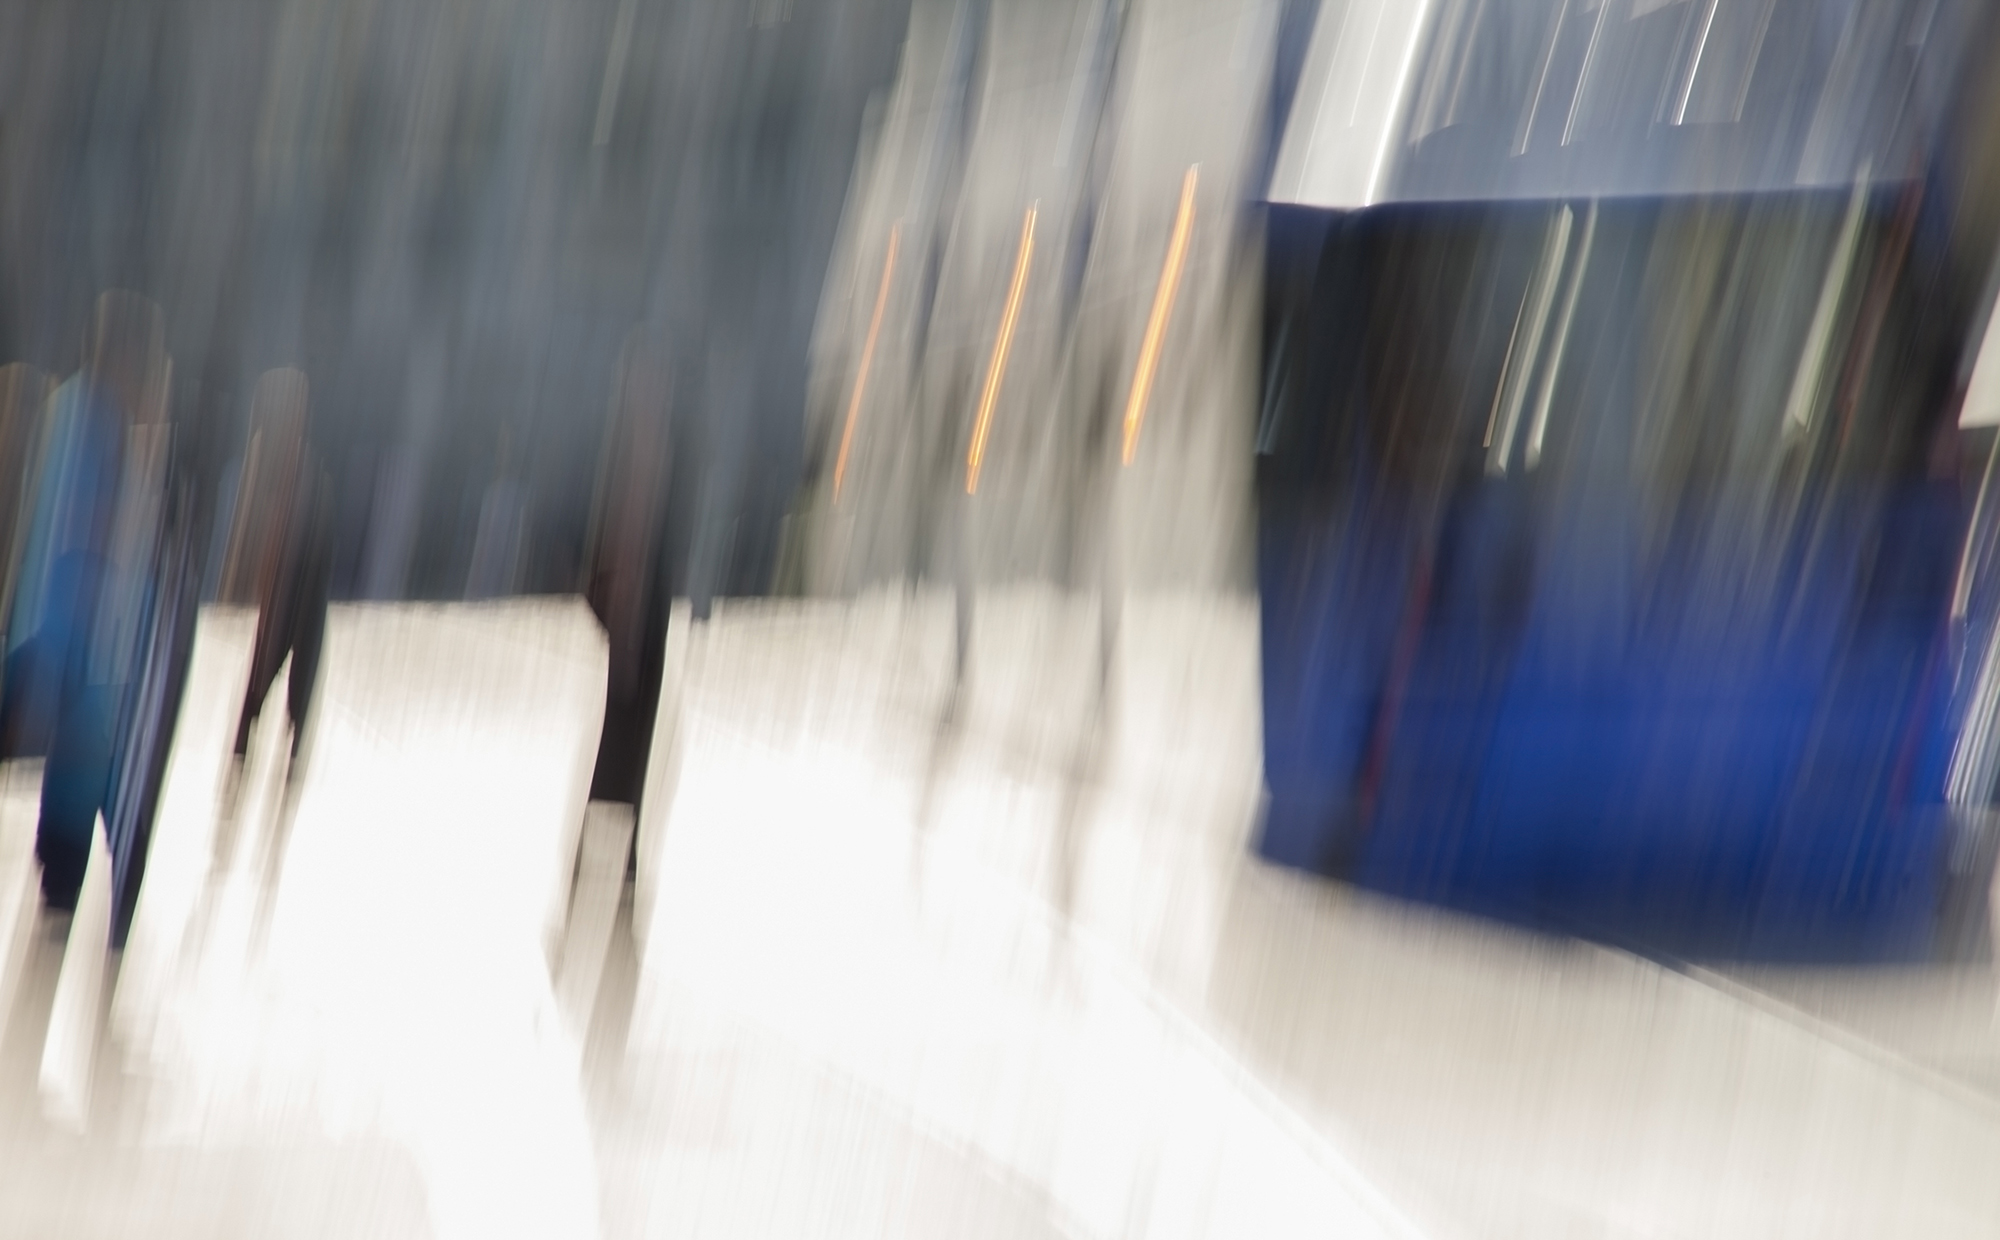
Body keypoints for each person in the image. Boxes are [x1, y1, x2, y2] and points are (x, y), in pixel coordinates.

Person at [5, 291, 168, 911]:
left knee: (86, 819)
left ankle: (68, 891)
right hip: (71, 654)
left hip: (59, 648)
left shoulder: (71, 408)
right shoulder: (102, 424)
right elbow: (92, 533)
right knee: (90, 822)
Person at [582, 331, 673, 863]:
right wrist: (628, 600)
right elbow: (631, 521)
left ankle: (614, 839)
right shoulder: (640, 439)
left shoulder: (635, 435)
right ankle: (619, 846)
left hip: (638, 595)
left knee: (629, 721)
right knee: (630, 718)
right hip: (639, 596)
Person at [219, 367, 333, 768]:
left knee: (299, 669)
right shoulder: (270, 454)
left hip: (306, 579)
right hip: (287, 576)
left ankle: (287, 745)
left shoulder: (300, 456)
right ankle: (247, 745)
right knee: (263, 671)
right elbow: (257, 522)